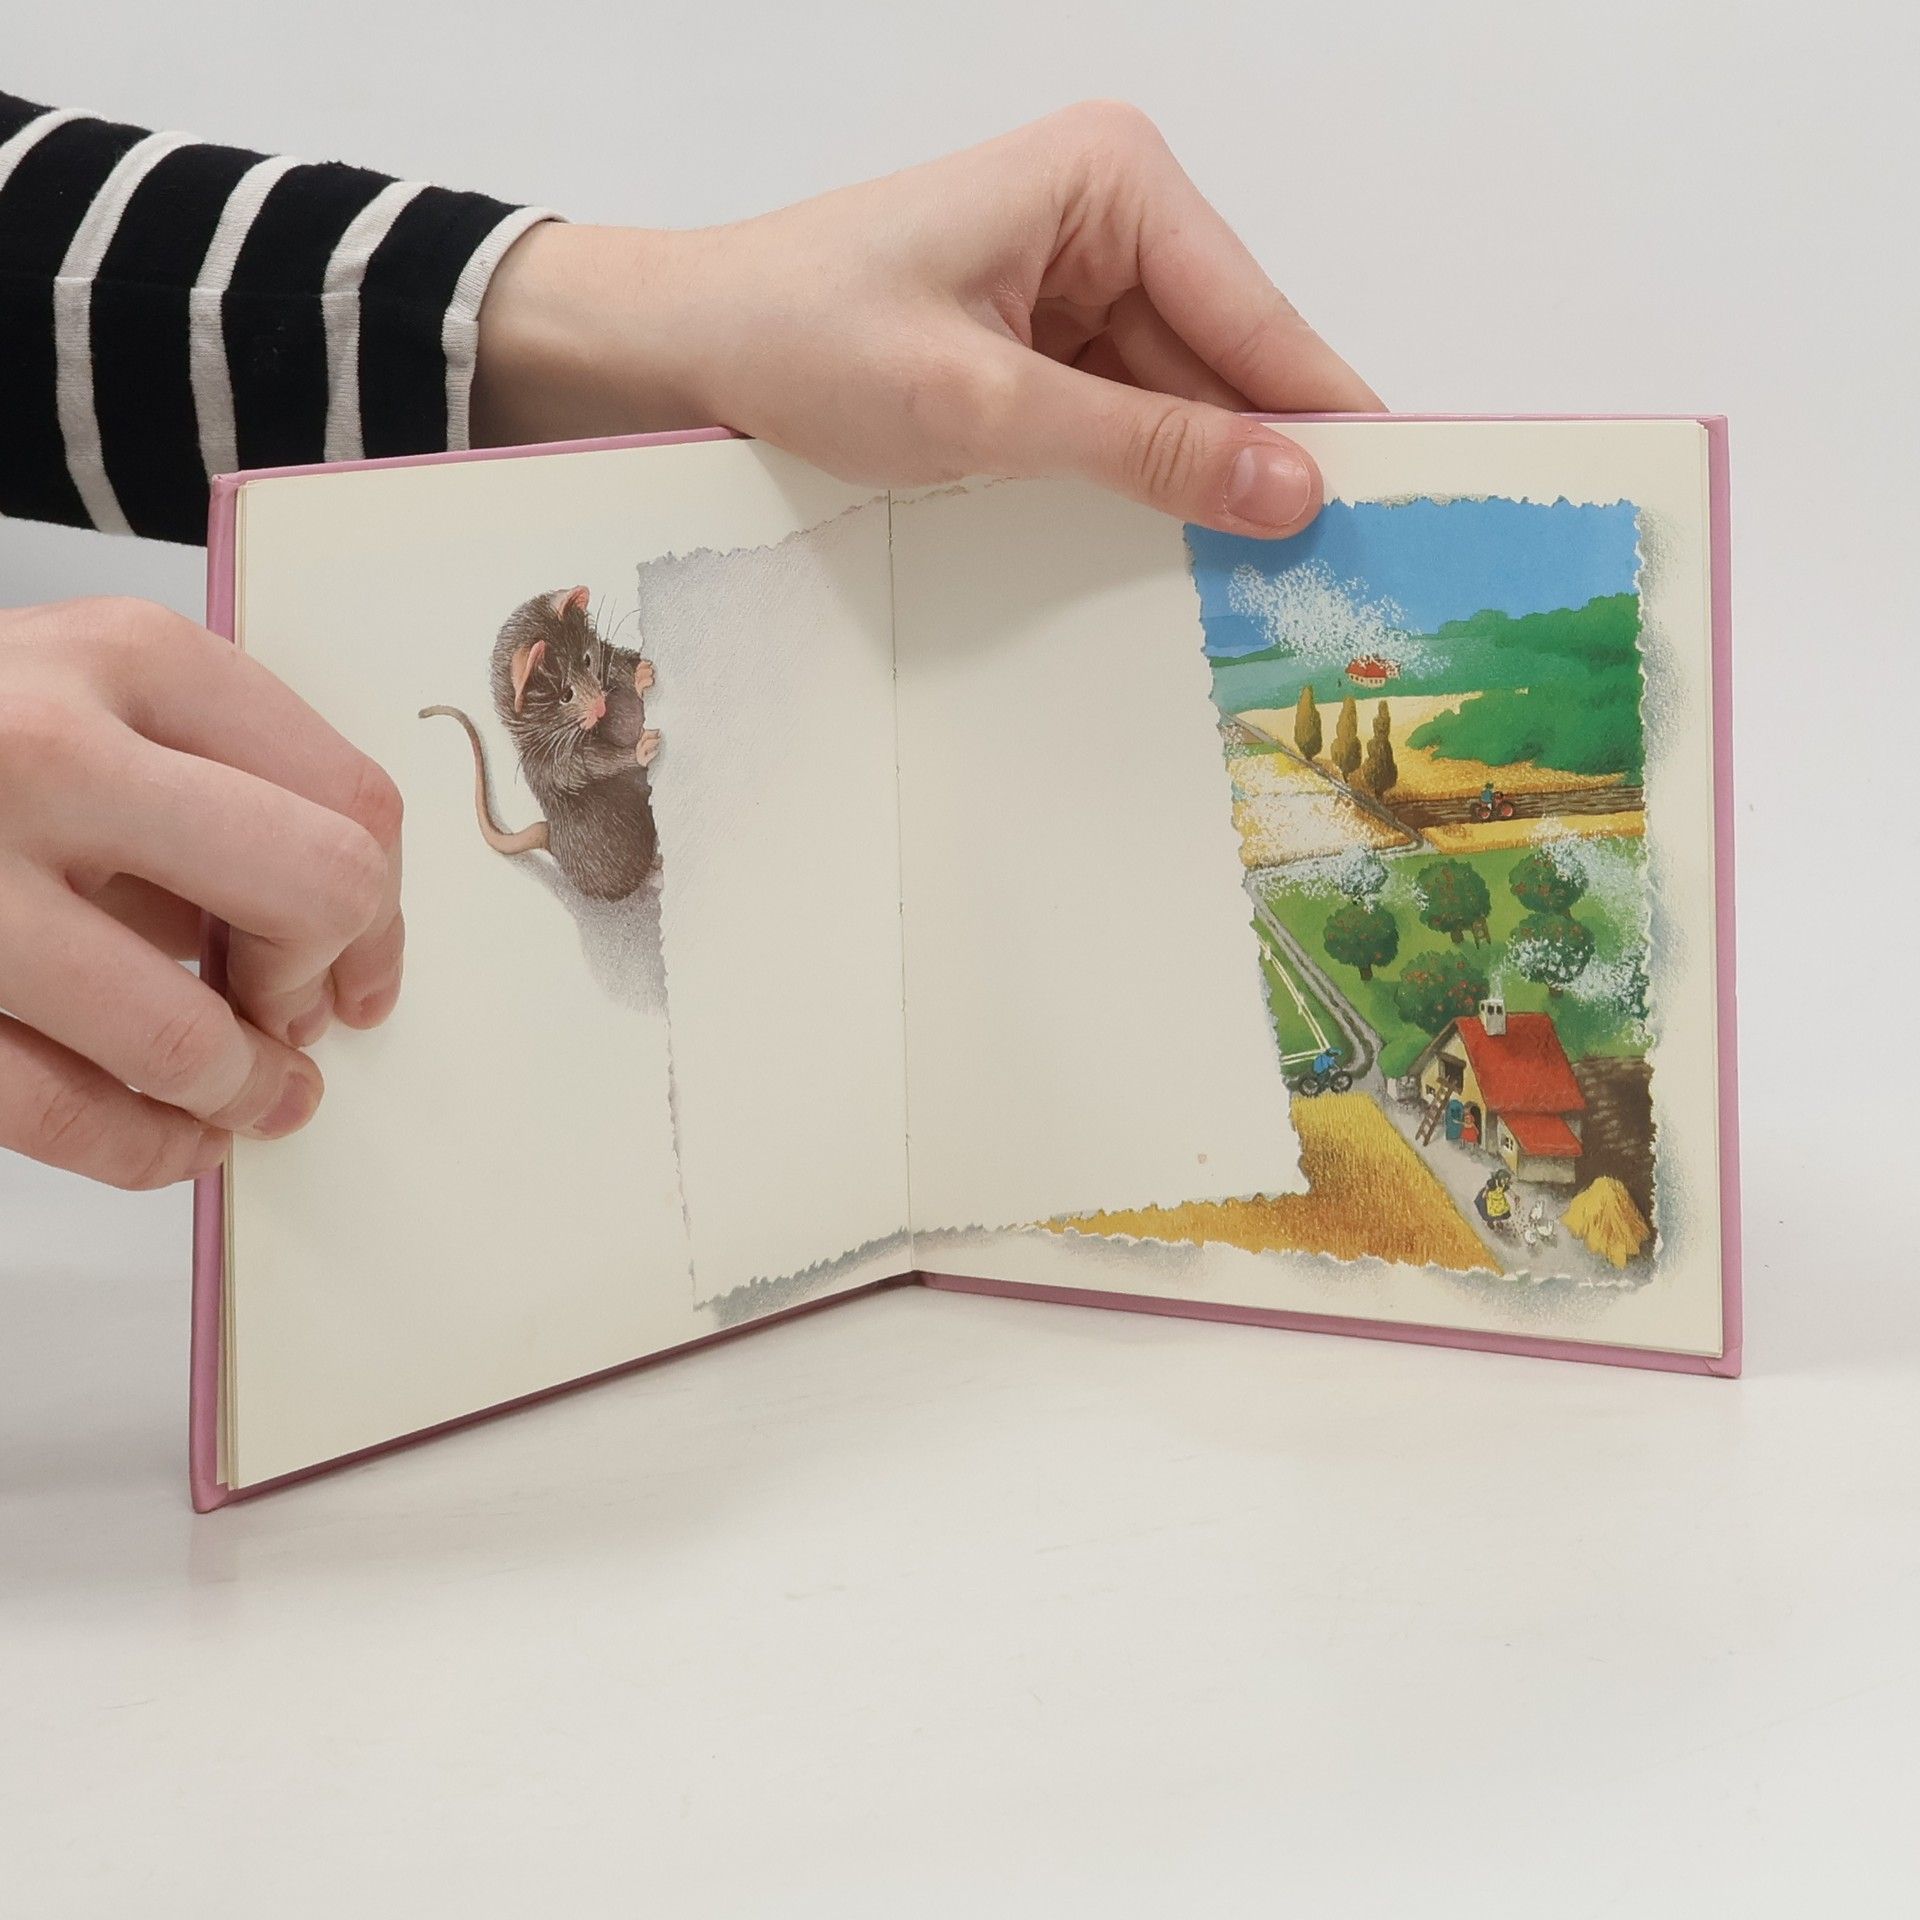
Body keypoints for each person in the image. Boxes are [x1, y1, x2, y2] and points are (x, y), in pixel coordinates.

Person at [0, 94, 1376, 1191]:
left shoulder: (581, 689)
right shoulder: (566, 740)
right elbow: (584, 763)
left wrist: (648, 319)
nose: (612, 670)